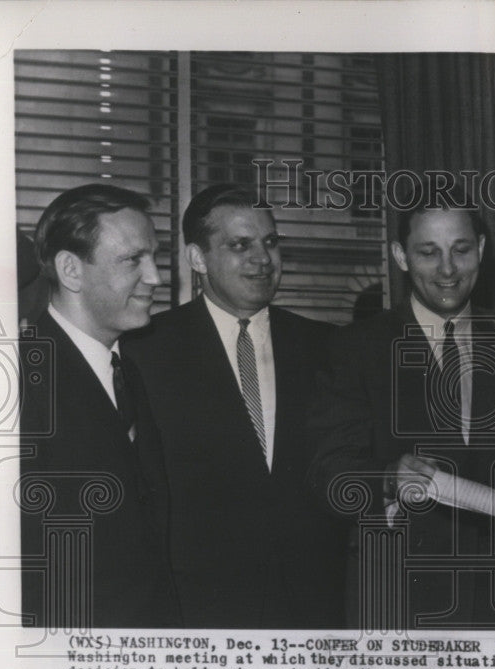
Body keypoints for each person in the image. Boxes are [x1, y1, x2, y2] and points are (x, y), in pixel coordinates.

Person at [308, 180, 495, 630]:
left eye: (461, 249)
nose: (448, 270)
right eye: (428, 252)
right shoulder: (356, 348)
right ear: (400, 256)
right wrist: (385, 476)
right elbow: (327, 471)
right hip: (399, 597)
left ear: (480, 248)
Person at [123, 184, 345, 628]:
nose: (262, 259)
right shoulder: (145, 351)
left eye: (270, 242)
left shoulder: (327, 347)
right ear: (198, 259)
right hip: (200, 608)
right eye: (240, 245)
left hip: (314, 603)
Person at [20, 184, 180, 628]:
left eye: (153, 257)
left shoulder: (130, 373)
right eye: (133, 260)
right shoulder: (15, 383)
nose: (155, 277)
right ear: (71, 270)